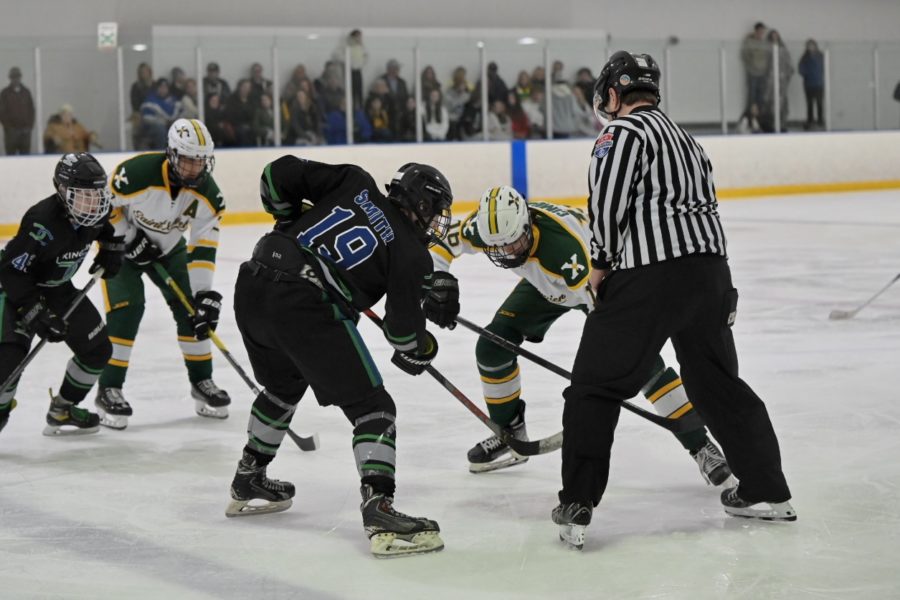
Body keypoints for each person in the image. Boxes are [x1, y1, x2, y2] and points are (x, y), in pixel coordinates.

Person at [553, 51, 795, 550]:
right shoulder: (689, 141)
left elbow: (608, 202)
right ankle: (768, 491)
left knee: (594, 389)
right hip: (710, 275)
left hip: (648, 278)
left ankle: (577, 502)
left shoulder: (620, 134)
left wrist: (598, 266)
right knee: (717, 385)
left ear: (615, 96)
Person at [224, 157, 454, 558]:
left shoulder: (355, 181)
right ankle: (379, 508)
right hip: (302, 304)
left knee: (284, 383)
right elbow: (403, 337)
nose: (436, 221)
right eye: (435, 210)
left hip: (254, 282)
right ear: (419, 203)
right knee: (374, 408)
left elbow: (277, 174)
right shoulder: (411, 254)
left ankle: (249, 476)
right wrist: (426, 345)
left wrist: (288, 221)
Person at [428, 185, 731, 484]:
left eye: (514, 244)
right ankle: (509, 431)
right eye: (499, 248)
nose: (507, 254)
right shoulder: (488, 229)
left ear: (528, 224)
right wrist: (439, 281)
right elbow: (441, 244)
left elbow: (601, 314)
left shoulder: (566, 252)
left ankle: (700, 444)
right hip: (545, 285)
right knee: (492, 348)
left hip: (600, 284)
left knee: (641, 362)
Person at [95, 118, 230, 429]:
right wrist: (128, 238)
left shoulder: (209, 195)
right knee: (127, 310)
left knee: (192, 311)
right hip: (121, 250)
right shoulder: (138, 173)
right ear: (171, 154)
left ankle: (202, 381)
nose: (195, 169)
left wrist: (202, 295)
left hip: (169, 250)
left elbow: (203, 247)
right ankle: (109, 387)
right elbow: (105, 206)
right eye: (187, 160)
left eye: (200, 161)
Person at [0, 153, 124, 435]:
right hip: (18, 290)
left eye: (97, 194)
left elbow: (104, 229)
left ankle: (63, 408)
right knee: (8, 362)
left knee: (97, 351)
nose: (93, 203)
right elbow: (10, 272)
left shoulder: (97, 211)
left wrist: (112, 249)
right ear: (62, 190)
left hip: (59, 289)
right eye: (84, 195)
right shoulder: (41, 220)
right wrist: (35, 313)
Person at [0, 67, 36, 155]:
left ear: (20, 78)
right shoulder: (5, 93)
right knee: (11, 158)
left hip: (25, 132)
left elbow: (31, 110)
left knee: (25, 158)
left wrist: (29, 126)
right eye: (13, 77)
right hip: (11, 133)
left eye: (17, 77)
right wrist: (8, 128)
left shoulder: (26, 92)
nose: (16, 79)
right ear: (10, 78)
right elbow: (2, 112)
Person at [741, 22, 769, 124]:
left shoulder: (765, 43)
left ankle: (759, 120)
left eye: (763, 31)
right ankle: (749, 119)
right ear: (756, 31)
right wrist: (752, 67)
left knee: (761, 97)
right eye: (760, 31)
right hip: (753, 73)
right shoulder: (749, 42)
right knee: (752, 97)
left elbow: (768, 57)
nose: (762, 33)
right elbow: (745, 56)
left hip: (763, 74)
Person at [798, 39, 825, 130]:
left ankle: (820, 121)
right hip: (808, 84)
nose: (810, 47)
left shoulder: (820, 56)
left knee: (819, 103)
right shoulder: (804, 57)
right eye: (809, 45)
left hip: (818, 83)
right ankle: (810, 121)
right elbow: (801, 69)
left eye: (812, 45)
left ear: (815, 45)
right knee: (809, 104)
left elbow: (825, 67)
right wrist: (806, 73)